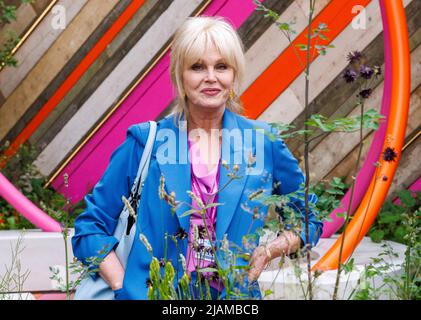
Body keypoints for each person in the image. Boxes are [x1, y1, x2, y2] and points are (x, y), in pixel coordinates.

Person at [71, 16, 322, 300]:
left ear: (234, 73)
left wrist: (268, 251)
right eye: (197, 67)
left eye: (222, 66)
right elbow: (89, 228)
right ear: (181, 75)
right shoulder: (145, 142)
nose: (211, 77)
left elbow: (308, 219)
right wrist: (122, 286)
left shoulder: (263, 142)